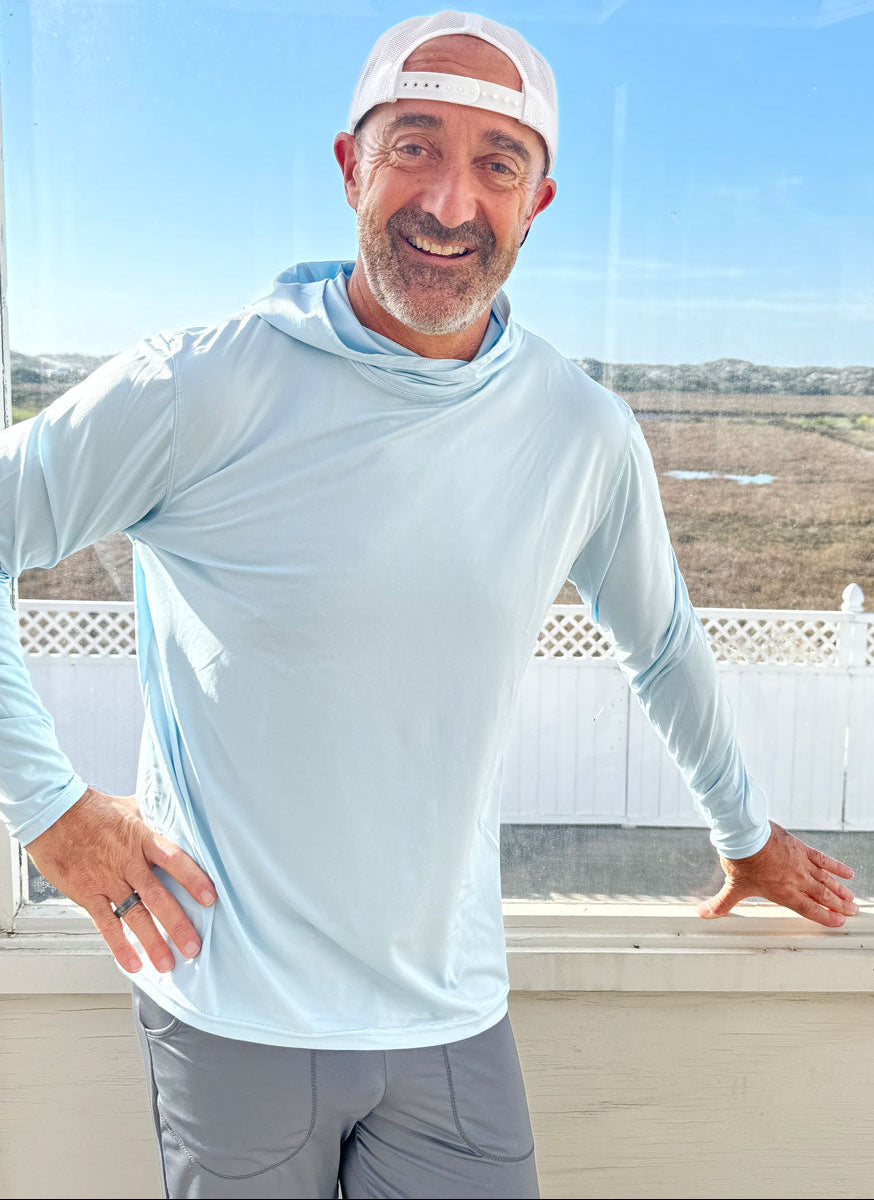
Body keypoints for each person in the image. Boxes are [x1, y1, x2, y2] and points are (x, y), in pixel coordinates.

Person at [0, 11, 856, 1200]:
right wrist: (47, 809)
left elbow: (659, 643)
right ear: (350, 166)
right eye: (414, 147)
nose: (450, 202)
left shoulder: (579, 429)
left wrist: (745, 834)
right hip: (231, 1006)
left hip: (450, 1016)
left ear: (536, 202)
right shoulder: (200, 383)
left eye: (496, 164)